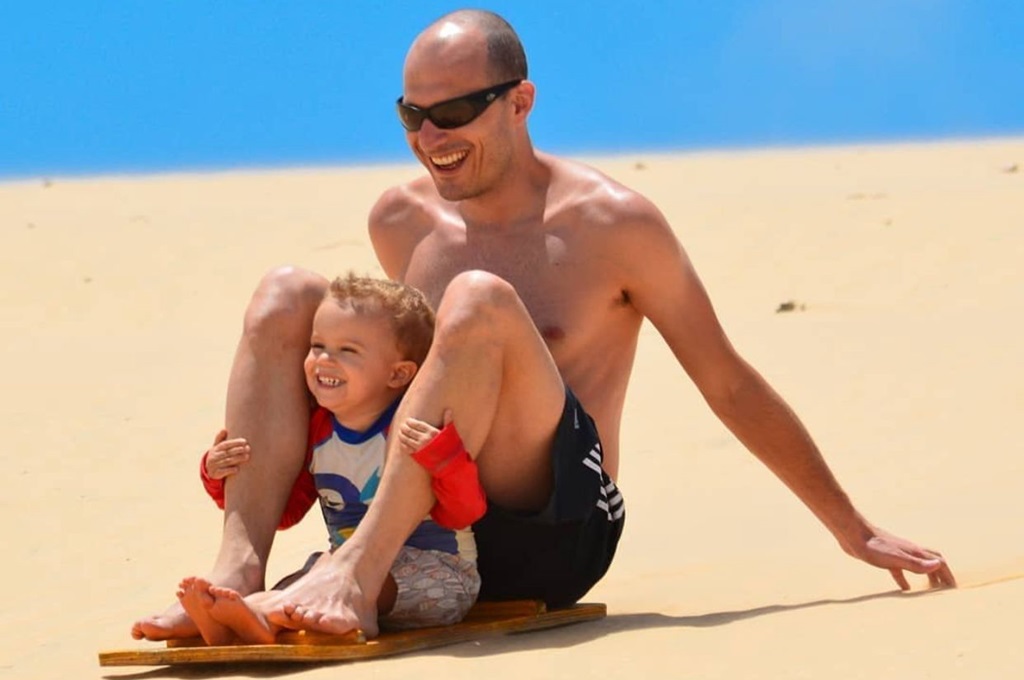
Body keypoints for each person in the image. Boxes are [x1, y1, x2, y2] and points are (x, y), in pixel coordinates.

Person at [132, 8, 955, 642]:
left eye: (455, 112)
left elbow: (728, 381)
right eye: (412, 116)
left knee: (480, 301)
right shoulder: (400, 219)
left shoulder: (614, 225)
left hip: (554, 532)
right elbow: (404, 385)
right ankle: (242, 575)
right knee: (287, 294)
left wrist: (854, 528)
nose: (432, 139)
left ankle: (354, 574)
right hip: (425, 523)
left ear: (521, 101)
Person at [135, 274, 483, 643]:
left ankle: (263, 610)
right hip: (335, 573)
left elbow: (465, 512)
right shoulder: (319, 432)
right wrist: (215, 474)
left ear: (398, 373)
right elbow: (285, 512)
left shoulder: (407, 429)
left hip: (438, 577)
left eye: (347, 350)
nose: (323, 360)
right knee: (305, 575)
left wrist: (445, 460)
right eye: (317, 345)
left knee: (323, 577)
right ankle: (251, 617)